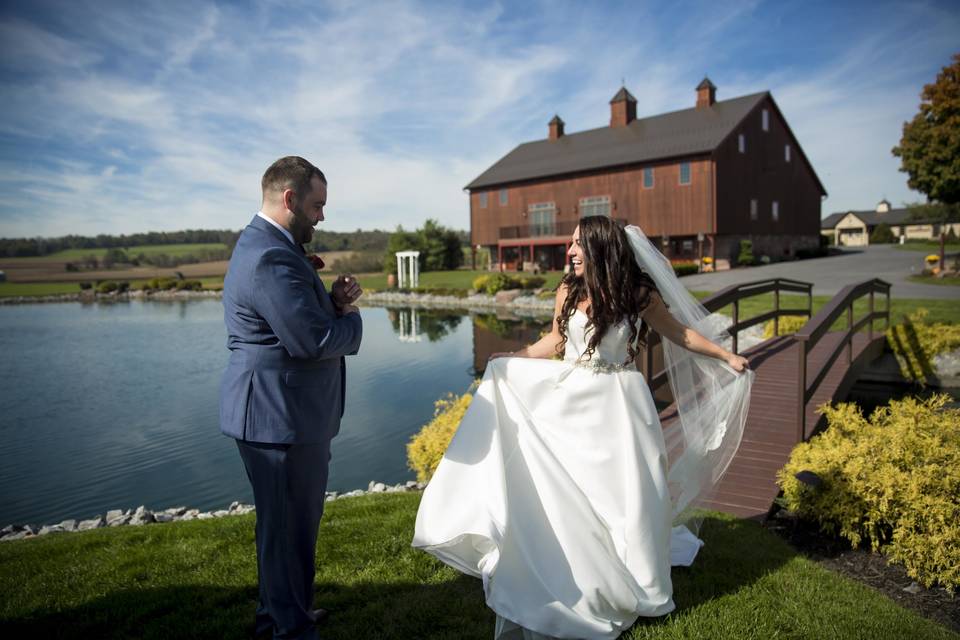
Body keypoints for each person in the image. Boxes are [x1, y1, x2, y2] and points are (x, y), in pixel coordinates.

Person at [413, 215, 753, 640]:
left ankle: (635, 573)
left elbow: (681, 334)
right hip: (572, 401)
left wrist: (726, 357)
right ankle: (575, 567)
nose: (569, 251)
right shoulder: (567, 290)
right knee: (576, 492)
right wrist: (512, 356)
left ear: (599, 247)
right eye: (570, 244)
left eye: (577, 244)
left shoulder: (638, 294)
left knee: (625, 494)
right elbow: (555, 343)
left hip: (620, 406)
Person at [219, 156, 363, 640]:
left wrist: (335, 303)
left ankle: (285, 612)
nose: (322, 216)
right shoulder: (269, 255)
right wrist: (351, 320)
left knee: (290, 528)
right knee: (286, 532)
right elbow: (314, 341)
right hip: (276, 418)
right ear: (290, 199)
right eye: (317, 205)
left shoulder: (273, 246)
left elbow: (299, 321)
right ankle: (290, 628)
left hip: (283, 413)